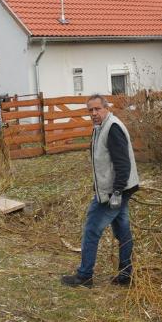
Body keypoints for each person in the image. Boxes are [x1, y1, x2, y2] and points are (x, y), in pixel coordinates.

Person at [61, 94, 139, 288]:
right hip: (118, 188)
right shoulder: (101, 127)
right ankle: (125, 275)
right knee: (122, 231)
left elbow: (123, 164)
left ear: (106, 108)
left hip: (114, 191)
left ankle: (85, 276)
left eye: (97, 109)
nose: (94, 113)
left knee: (91, 229)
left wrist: (117, 193)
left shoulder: (112, 128)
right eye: (90, 110)